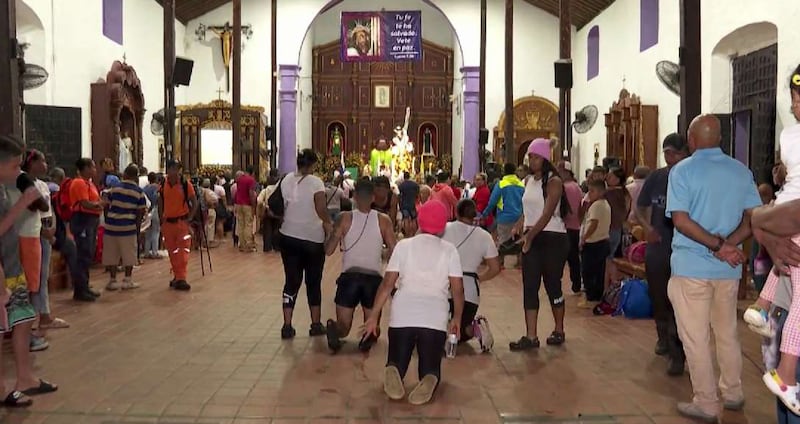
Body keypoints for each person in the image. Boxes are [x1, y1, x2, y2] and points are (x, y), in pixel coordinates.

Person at [666, 114, 761, 421]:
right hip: (727, 270)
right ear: (719, 139)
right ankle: (733, 393)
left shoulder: (682, 171)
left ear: (692, 140)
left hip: (692, 266)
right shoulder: (740, 171)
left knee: (695, 337)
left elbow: (680, 220)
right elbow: (753, 218)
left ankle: (706, 402)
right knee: (727, 333)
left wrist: (718, 247)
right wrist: (728, 246)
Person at [364, 200, 464, 405]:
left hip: (403, 315)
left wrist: (373, 315)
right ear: (443, 225)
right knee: (430, 366)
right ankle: (429, 377)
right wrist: (457, 318)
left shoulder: (403, 246)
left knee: (397, 359)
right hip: (434, 318)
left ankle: (394, 369)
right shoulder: (450, 250)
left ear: (419, 221)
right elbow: (458, 290)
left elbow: (386, 285)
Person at [743, 66, 800, 412]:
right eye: (794, 100)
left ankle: (763, 308)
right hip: (791, 214)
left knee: (785, 265)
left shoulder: (790, 137)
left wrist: (762, 222)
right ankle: (787, 373)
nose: (794, 107)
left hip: (782, 212)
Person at [0, 134, 58, 407]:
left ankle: (25, 377)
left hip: (11, 264)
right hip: (1, 271)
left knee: (22, 319)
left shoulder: (4, 186)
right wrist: (22, 204)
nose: (18, 172)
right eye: (14, 166)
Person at [635, 133, 690, 376]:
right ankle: (663, 337)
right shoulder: (657, 177)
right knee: (658, 294)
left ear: (685, 153)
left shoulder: (690, 176)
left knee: (679, 300)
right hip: (658, 247)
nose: (670, 158)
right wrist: (648, 229)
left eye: (675, 153)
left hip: (684, 246)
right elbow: (640, 206)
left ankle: (678, 350)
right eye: (666, 153)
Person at [510, 138, 570, 350]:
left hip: (552, 237)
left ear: (544, 158)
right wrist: (519, 225)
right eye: (530, 157)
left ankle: (559, 329)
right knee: (530, 286)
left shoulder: (554, 181)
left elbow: (546, 214)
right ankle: (531, 336)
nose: (532, 160)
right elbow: (528, 211)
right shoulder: (528, 181)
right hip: (532, 235)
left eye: (535, 157)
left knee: (553, 285)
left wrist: (530, 236)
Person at [324, 179, 396, 353]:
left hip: (349, 278)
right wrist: (383, 255)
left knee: (344, 327)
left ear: (354, 197)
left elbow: (328, 250)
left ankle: (335, 328)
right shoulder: (384, 220)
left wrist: (333, 233)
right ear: (373, 198)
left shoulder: (344, 217)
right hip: (373, 280)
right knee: (373, 326)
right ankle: (368, 336)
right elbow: (395, 249)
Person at [278, 149, 333, 339]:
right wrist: (329, 224)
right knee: (313, 282)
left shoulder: (285, 180)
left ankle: (287, 325)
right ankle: (315, 324)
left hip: (288, 235)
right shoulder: (315, 182)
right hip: (312, 238)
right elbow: (320, 208)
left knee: (291, 281)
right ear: (313, 164)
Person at [443, 199, 500, 347]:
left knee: (437, 331)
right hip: (470, 291)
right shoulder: (484, 236)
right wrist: (479, 278)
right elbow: (495, 268)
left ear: (456, 212)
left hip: (444, 288)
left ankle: (446, 327)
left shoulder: (444, 229)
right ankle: (473, 328)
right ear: (475, 214)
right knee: (460, 332)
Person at [23, 151, 68, 332]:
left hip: (46, 234)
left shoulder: (42, 185)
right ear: (31, 163)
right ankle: (35, 316)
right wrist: (44, 232)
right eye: (41, 161)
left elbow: (48, 211)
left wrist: (52, 229)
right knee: (33, 278)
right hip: (32, 234)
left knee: (43, 276)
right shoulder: (22, 184)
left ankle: (43, 314)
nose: (45, 165)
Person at [102, 164, 147, 290]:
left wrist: (108, 219)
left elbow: (106, 204)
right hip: (128, 227)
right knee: (129, 254)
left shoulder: (114, 188)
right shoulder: (138, 192)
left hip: (111, 226)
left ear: (125, 174)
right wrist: (137, 227)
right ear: (135, 176)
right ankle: (127, 280)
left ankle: (112, 280)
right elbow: (140, 212)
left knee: (111, 254)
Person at [70, 158, 106, 302]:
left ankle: (85, 286)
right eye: (92, 167)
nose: (95, 170)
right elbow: (85, 203)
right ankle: (80, 290)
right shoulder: (78, 183)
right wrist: (100, 204)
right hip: (83, 220)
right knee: (83, 254)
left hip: (90, 221)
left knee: (88, 254)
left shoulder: (89, 183)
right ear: (85, 168)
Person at [158, 160, 197, 291]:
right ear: (168, 170)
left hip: (182, 223)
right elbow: (160, 201)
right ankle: (177, 276)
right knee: (172, 252)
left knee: (183, 251)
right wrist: (161, 219)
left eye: (177, 169)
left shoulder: (186, 185)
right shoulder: (163, 184)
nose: (175, 172)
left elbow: (194, 202)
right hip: (168, 223)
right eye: (172, 169)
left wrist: (189, 218)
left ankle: (182, 278)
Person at [479, 163, 524, 266]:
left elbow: (492, 201)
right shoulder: (521, 184)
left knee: (503, 241)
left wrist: (485, 214)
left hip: (504, 217)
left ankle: (500, 264)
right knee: (519, 240)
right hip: (519, 217)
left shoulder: (501, 184)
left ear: (504, 171)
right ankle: (520, 263)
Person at [578, 180, 611, 308]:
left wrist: (584, 238)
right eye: (589, 191)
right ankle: (596, 296)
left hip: (594, 242)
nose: (589, 194)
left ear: (601, 192)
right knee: (598, 270)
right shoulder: (605, 204)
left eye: (592, 191)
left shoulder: (597, 205)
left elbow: (593, 224)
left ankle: (591, 296)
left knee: (588, 271)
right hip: (603, 241)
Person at [558, 161, 583, 294]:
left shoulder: (563, 188)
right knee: (574, 258)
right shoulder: (577, 187)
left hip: (564, 226)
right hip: (576, 226)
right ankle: (576, 284)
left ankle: (556, 283)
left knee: (560, 257)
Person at [234, 167, 257, 252]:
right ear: (252, 172)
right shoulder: (251, 180)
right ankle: (248, 245)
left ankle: (242, 245)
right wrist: (253, 205)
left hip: (239, 203)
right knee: (248, 224)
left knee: (240, 224)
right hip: (247, 204)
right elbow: (251, 193)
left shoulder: (239, 179)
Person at [142, 173, 161, 259]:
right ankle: (154, 252)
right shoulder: (158, 188)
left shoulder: (145, 188)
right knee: (156, 231)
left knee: (148, 232)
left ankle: (146, 252)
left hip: (147, 210)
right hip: (156, 209)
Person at [398, 171, 419, 236]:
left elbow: (399, 195)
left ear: (404, 177)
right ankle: (414, 234)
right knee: (413, 219)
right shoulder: (414, 184)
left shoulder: (401, 185)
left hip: (404, 205)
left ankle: (407, 235)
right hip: (412, 204)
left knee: (406, 219)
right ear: (409, 176)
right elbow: (417, 193)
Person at [200, 179, 219, 248]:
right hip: (210, 209)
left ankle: (203, 240)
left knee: (205, 225)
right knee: (210, 225)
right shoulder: (209, 192)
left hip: (203, 210)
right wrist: (212, 205)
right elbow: (210, 200)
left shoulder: (200, 190)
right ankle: (209, 241)